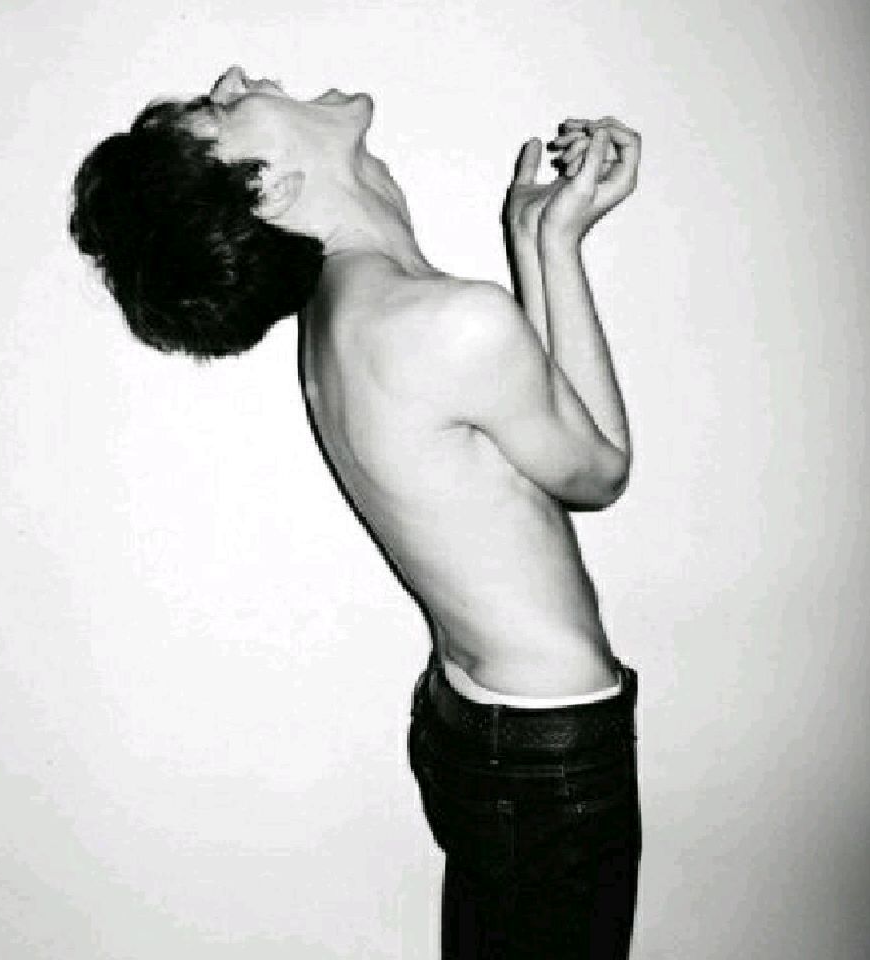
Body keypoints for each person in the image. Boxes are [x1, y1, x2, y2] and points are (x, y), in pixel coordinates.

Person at [68, 66, 642, 959]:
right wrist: (553, 246)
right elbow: (598, 472)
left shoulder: (350, 319)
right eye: (221, 109)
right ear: (268, 185)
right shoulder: (443, 322)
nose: (235, 78)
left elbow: (545, 446)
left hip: (485, 730)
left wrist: (540, 232)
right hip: (544, 756)